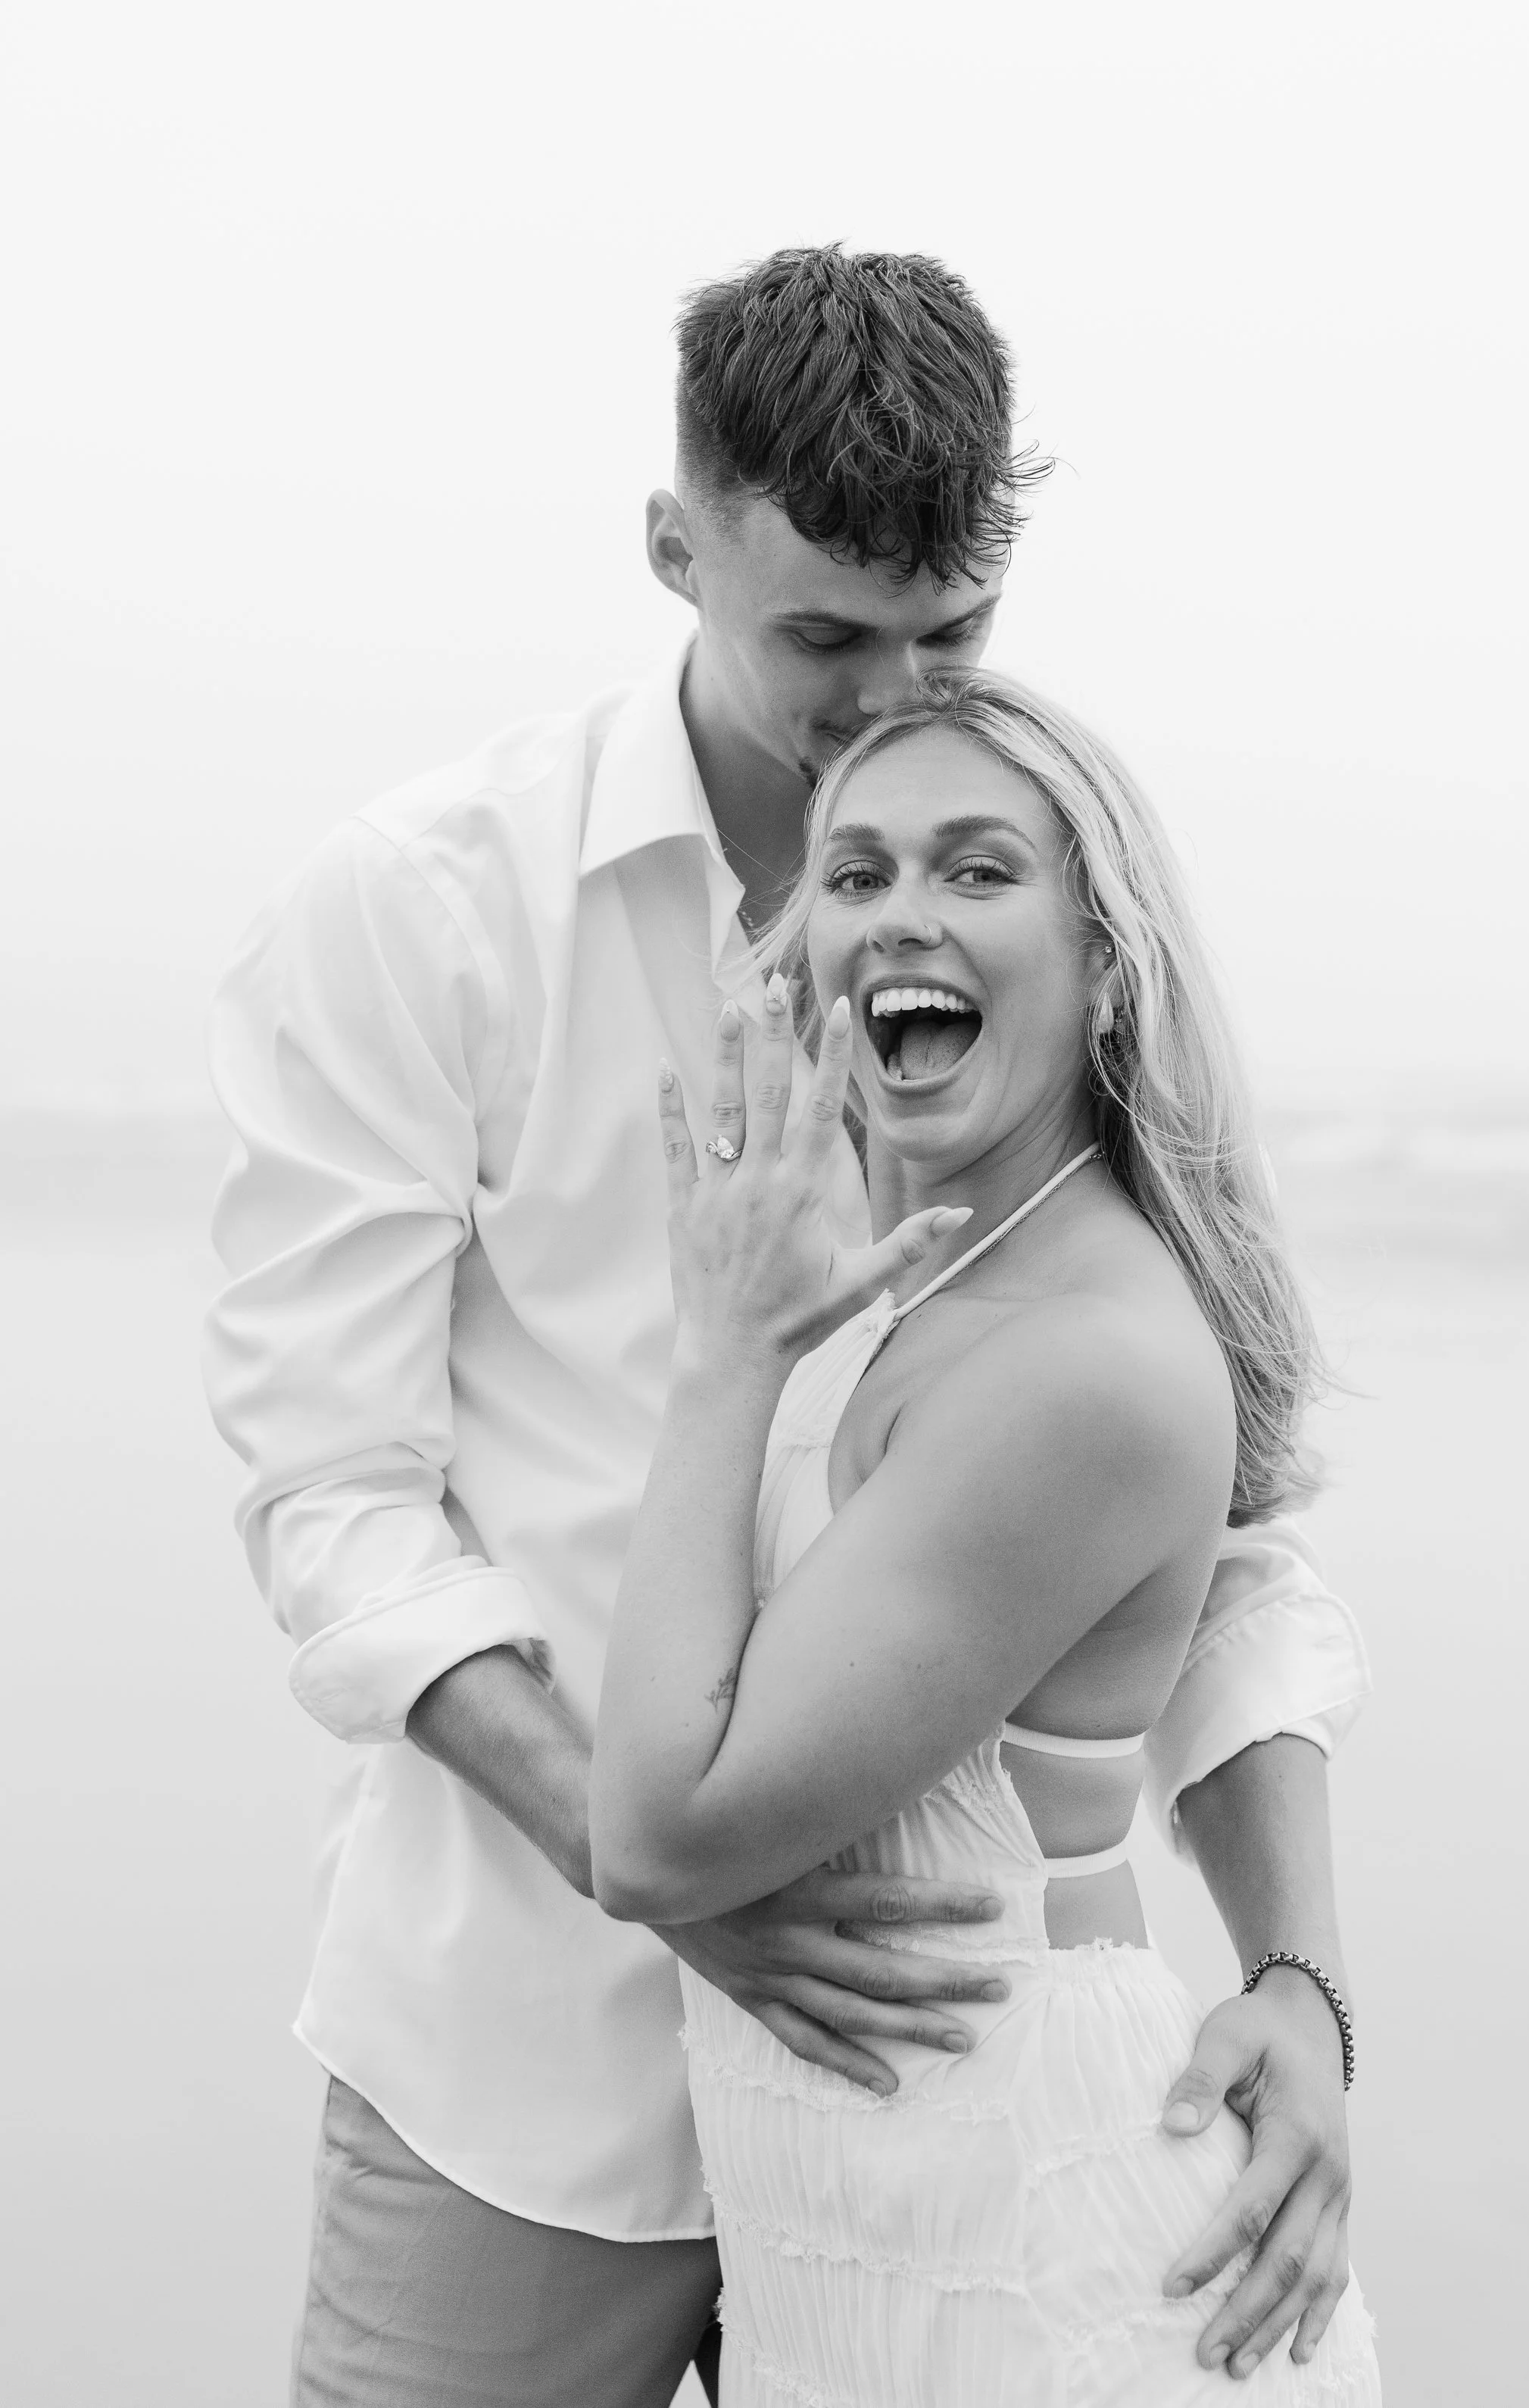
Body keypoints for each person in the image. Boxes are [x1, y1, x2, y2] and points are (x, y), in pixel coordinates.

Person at [204, 247, 1371, 2407]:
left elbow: (1215, 1527)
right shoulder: (422, 905)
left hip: (961, 2115)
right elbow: (335, 1507)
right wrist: (666, 1873)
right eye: (826, 637)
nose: (892, 696)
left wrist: (1301, 1971)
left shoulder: (1035, 896)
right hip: (528, 2068)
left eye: (953, 633)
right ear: (676, 549)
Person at [589, 668, 1381, 2402]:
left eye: (976, 868)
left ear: (1109, 962)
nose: (900, 914)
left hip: (1052, 2261)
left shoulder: (1078, 1362)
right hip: (872, 2249)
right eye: (855, 873)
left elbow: (656, 1830)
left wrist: (721, 1355)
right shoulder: (921, 1259)